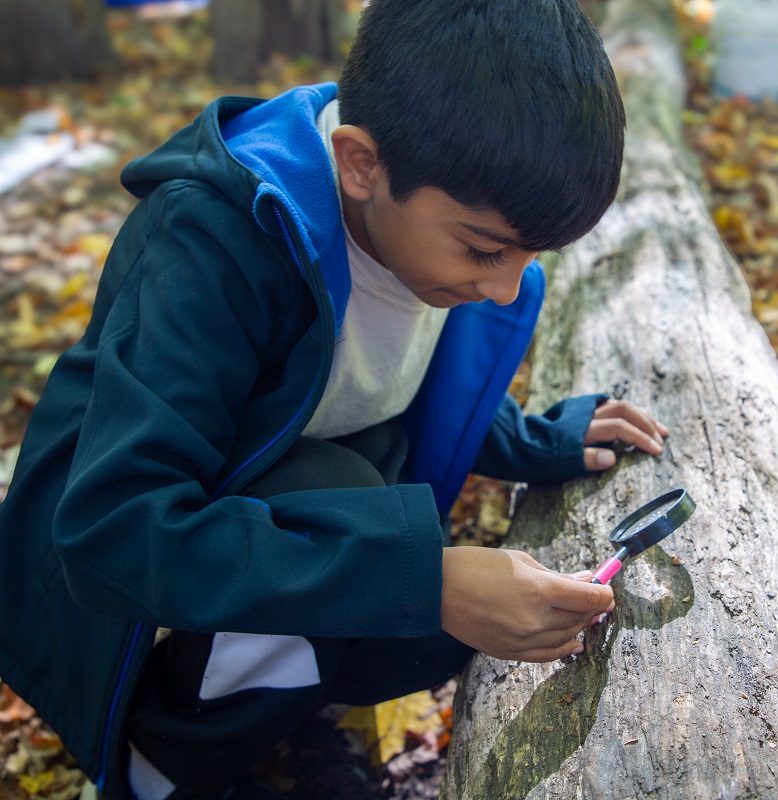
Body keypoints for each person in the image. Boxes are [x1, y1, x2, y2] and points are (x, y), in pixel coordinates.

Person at [0, 0, 669, 798]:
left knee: (373, 542)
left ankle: (280, 711)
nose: (503, 287)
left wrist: (528, 439)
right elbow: (114, 529)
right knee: (361, 520)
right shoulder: (215, 244)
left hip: (260, 521)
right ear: (358, 163)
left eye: (531, 255)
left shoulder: (415, 212)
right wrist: (431, 580)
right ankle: (165, 767)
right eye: (486, 249)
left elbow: (364, 373)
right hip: (121, 604)